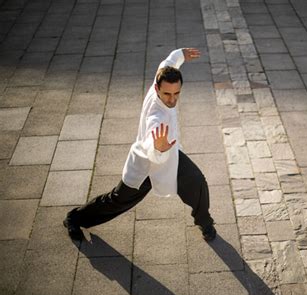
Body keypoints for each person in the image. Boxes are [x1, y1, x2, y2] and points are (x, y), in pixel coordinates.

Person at [63, 48, 216, 242]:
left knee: (197, 181)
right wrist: (159, 148)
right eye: (167, 94)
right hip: (146, 164)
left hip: (170, 155)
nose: (172, 99)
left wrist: (180, 55)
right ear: (156, 89)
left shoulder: (161, 77)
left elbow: (168, 62)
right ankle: (74, 217)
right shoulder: (156, 118)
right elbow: (152, 147)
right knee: (118, 200)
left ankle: (205, 221)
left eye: (177, 93)